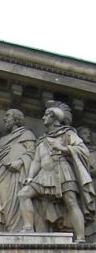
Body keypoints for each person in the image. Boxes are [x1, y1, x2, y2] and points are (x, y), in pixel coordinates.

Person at [18, 101, 95, 242]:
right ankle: (28, 228)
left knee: (71, 202)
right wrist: (30, 177)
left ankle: (81, 238)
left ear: (54, 118)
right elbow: (36, 161)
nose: (43, 118)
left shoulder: (68, 133)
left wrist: (64, 148)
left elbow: (83, 150)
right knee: (23, 194)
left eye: (46, 115)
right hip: (44, 175)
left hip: (63, 171)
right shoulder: (42, 139)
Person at [0, 109, 36, 232]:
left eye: (7, 116)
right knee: (6, 203)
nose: (4, 119)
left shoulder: (27, 134)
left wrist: (20, 161)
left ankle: (20, 230)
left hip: (18, 172)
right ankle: (11, 231)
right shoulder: (2, 140)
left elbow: (32, 152)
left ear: (16, 118)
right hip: (2, 172)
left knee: (18, 199)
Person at [77, 126, 96, 242]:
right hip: (83, 185)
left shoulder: (94, 151)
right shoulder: (79, 152)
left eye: (89, 133)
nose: (88, 135)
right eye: (84, 133)